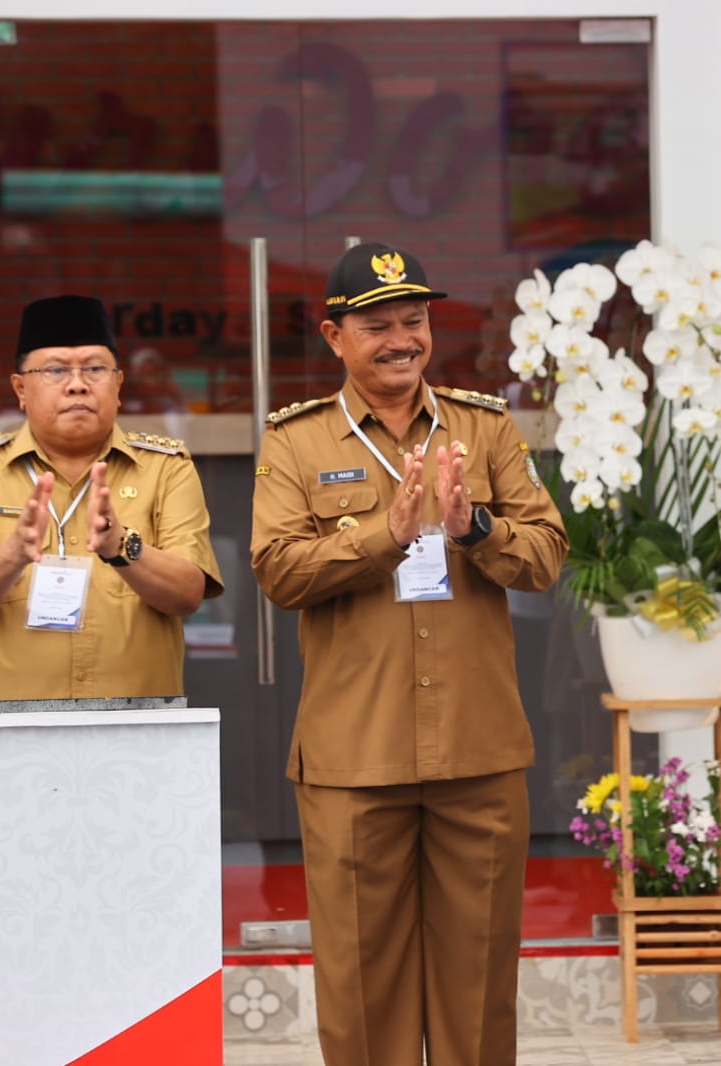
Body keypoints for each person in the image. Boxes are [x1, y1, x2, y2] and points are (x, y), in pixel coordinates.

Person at [250, 242, 566, 1066]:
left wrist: (476, 527)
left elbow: (545, 556)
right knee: (362, 989)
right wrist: (381, 535)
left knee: (479, 984)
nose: (401, 340)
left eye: (414, 321)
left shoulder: (483, 427)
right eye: (378, 325)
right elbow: (277, 571)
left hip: (477, 748)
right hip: (355, 755)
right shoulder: (295, 441)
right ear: (334, 336)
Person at [0, 294, 222, 699]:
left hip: (137, 723)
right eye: (56, 370)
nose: (77, 384)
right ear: (20, 388)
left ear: (118, 385)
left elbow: (188, 595)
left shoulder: (166, 467)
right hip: (13, 725)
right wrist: (13, 553)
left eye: (94, 368)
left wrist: (121, 547)